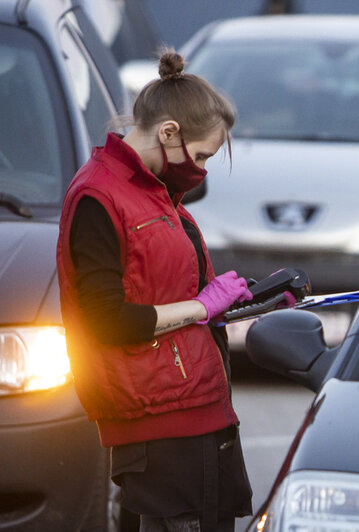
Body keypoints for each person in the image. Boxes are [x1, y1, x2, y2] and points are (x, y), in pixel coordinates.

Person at [57, 50, 256, 531]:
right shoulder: (101, 198)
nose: (202, 169)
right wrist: (200, 306)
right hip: (162, 421)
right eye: (202, 155)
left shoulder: (151, 188)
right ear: (168, 133)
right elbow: (107, 319)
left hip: (194, 407)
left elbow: (167, 285)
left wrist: (227, 304)